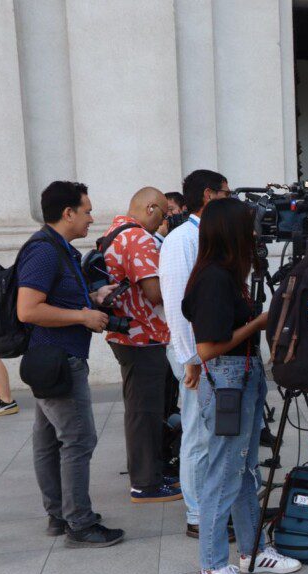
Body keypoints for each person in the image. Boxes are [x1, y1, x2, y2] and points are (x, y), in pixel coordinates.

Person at [181, 198, 301, 574]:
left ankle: (252, 551)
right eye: (248, 227)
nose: (254, 234)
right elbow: (208, 347)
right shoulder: (214, 278)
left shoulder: (223, 275)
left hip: (240, 378)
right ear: (231, 233)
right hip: (229, 381)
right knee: (224, 473)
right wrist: (259, 324)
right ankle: (212, 566)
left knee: (246, 468)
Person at [16, 181, 124, 546]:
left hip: (52, 359)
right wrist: (82, 317)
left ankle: (59, 516)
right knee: (78, 440)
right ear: (68, 213)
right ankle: (79, 523)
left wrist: (93, 297)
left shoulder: (58, 248)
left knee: (48, 440)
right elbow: (28, 308)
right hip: (58, 360)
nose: (92, 218)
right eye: (87, 210)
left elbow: (53, 297)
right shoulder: (45, 251)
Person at [160, 170, 230, 537]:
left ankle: (213, 504)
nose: (231, 200)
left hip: (211, 353)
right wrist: (192, 360)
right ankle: (197, 515)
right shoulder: (181, 240)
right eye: (225, 193)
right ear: (208, 195)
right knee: (198, 433)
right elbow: (176, 305)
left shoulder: (207, 237)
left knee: (213, 431)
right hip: (195, 356)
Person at [103, 187, 183, 503]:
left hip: (128, 334)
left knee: (144, 408)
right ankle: (145, 483)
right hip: (142, 336)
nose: (164, 221)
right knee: (144, 411)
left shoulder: (115, 230)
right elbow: (154, 293)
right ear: (151, 208)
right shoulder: (137, 238)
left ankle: (152, 472)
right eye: (163, 214)